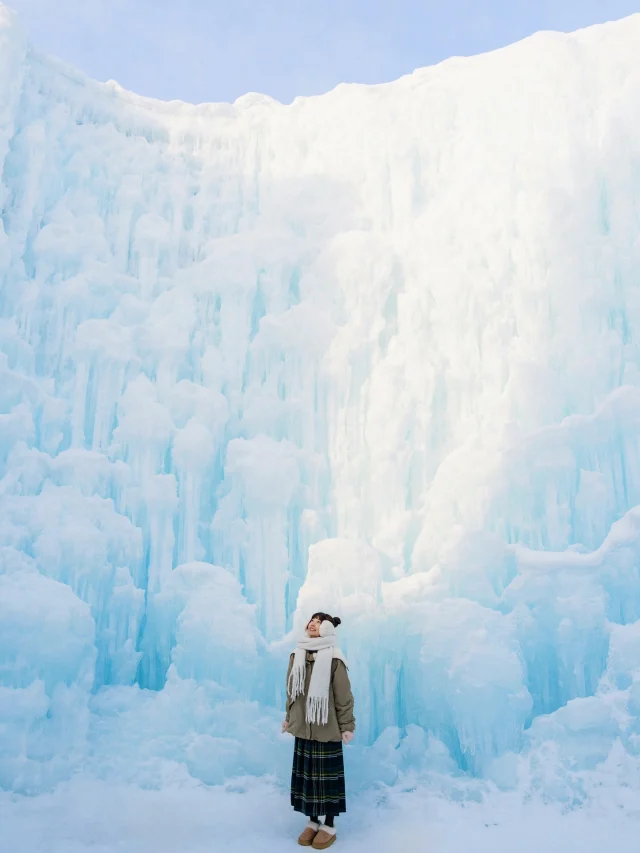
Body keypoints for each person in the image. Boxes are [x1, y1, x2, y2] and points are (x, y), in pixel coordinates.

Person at [282, 612, 355, 849]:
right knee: (308, 779)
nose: (312, 624)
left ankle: (329, 824)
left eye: (318, 621)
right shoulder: (297, 655)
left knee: (327, 781)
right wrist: (288, 718)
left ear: (327, 628)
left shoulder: (334, 659)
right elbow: (291, 692)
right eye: (311, 620)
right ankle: (312, 820)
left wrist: (347, 726)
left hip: (327, 729)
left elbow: (343, 697)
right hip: (304, 728)